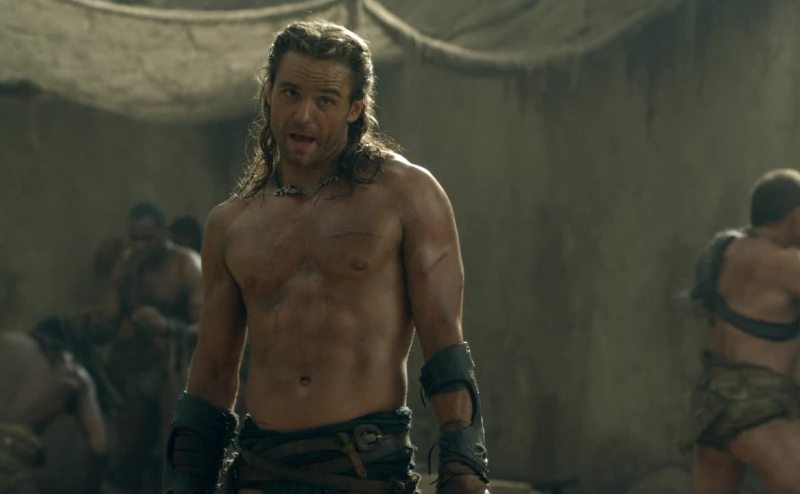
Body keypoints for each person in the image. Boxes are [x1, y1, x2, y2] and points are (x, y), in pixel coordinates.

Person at [162, 20, 490, 494]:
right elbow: (212, 374)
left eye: (326, 100)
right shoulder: (231, 223)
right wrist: (185, 482)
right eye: (291, 93)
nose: (304, 116)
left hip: (364, 469)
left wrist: (464, 466)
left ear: (355, 109)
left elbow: (444, 340)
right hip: (260, 472)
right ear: (268, 93)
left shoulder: (406, 195)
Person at [688, 169, 800, 493]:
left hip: (711, 408)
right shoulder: (785, 263)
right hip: (757, 410)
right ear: (795, 218)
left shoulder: (723, 251)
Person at [105, 202, 203, 492]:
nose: (140, 245)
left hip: (179, 369)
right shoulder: (127, 264)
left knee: (172, 452)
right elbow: (111, 316)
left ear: (164, 232)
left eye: (147, 238)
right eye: (134, 238)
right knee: (127, 454)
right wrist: (102, 323)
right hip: (137, 368)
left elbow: (208, 327)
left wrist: (167, 326)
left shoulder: (187, 265)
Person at [0, 316, 116, 494]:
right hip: (12, 462)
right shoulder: (77, 375)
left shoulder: (5, 341)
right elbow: (100, 448)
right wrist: (91, 489)